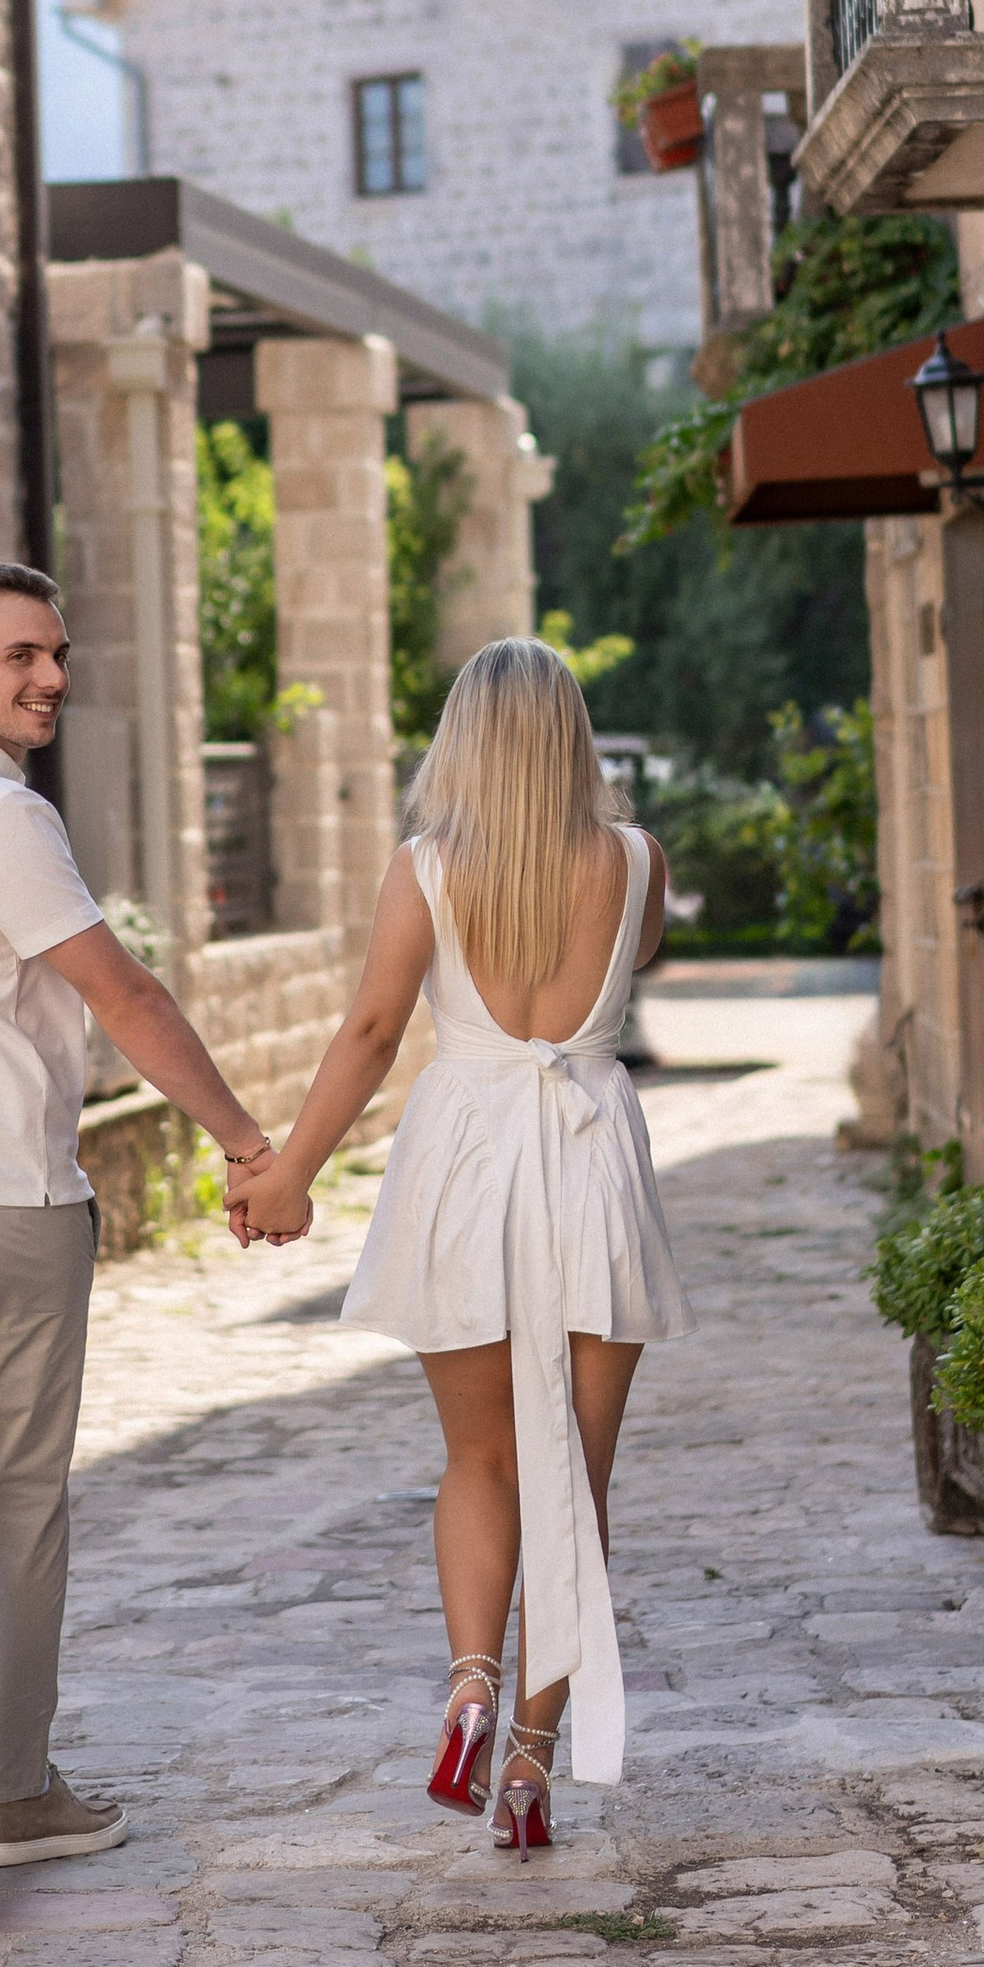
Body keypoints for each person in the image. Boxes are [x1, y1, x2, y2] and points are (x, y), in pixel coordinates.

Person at [0, 560, 304, 1931]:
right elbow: (126, 995)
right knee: (18, 1506)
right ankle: (10, 1797)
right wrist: (253, 1146)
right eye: (20, 655)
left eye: (59, 654)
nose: (50, 678)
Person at [235, 635, 684, 1854]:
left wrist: (287, 1176)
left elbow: (374, 1028)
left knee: (480, 1456)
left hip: (466, 1162)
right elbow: (636, 956)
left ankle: (472, 1685)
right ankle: (530, 1776)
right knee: (572, 1493)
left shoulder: (425, 870)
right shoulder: (636, 864)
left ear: (465, 743)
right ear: (571, 738)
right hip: (588, 1159)